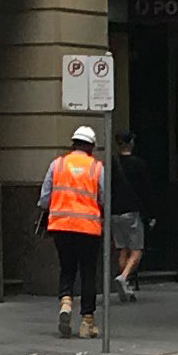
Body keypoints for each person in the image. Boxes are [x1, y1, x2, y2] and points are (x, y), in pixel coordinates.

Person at [42, 123, 109, 337]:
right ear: (91, 147)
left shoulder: (58, 164)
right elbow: (104, 197)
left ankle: (66, 301)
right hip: (88, 228)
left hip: (61, 226)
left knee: (67, 267)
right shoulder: (96, 168)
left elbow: (45, 197)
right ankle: (87, 322)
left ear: (73, 144)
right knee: (88, 272)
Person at [109, 131, 149, 301]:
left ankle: (126, 287)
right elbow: (146, 190)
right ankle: (124, 277)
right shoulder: (138, 164)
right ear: (131, 143)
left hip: (114, 212)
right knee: (137, 249)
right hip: (132, 212)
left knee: (122, 248)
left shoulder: (112, 164)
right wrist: (149, 213)